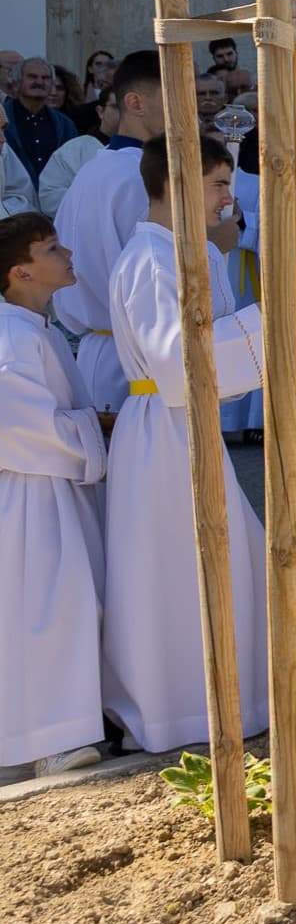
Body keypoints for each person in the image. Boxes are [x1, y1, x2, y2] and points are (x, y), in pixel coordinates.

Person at [103, 135, 271, 754]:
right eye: (219, 184)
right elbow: (175, 359)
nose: (229, 199)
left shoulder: (180, 250)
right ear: (176, 185)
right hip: (162, 429)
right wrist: (266, 323)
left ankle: (224, 697)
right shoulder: (152, 258)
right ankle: (175, 709)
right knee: (174, 571)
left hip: (183, 426)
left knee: (213, 562)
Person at [0, 213, 108, 776]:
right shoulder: (12, 337)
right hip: (30, 489)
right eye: (51, 248)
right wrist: (95, 431)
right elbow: (20, 425)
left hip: (49, 482)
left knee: (62, 603)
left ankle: (61, 728)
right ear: (21, 271)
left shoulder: (32, 328)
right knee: (46, 608)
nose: (66, 254)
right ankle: (49, 740)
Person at [54, 49, 165, 412]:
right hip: (134, 359)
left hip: (100, 351)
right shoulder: (138, 177)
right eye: (177, 97)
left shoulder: (94, 169)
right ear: (135, 102)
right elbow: (153, 275)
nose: (190, 112)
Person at [38, 88, 113, 216]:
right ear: (101, 111)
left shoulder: (149, 149)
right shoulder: (73, 150)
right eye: (118, 107)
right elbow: (50, 198)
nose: (126, 113)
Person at [5, 58, 76, 182]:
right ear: (17, 82)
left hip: (53, 198)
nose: (39, 82)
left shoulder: (65, 125)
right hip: (11, 197)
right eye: (32, 77)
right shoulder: (3, 118)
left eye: (45, 78)